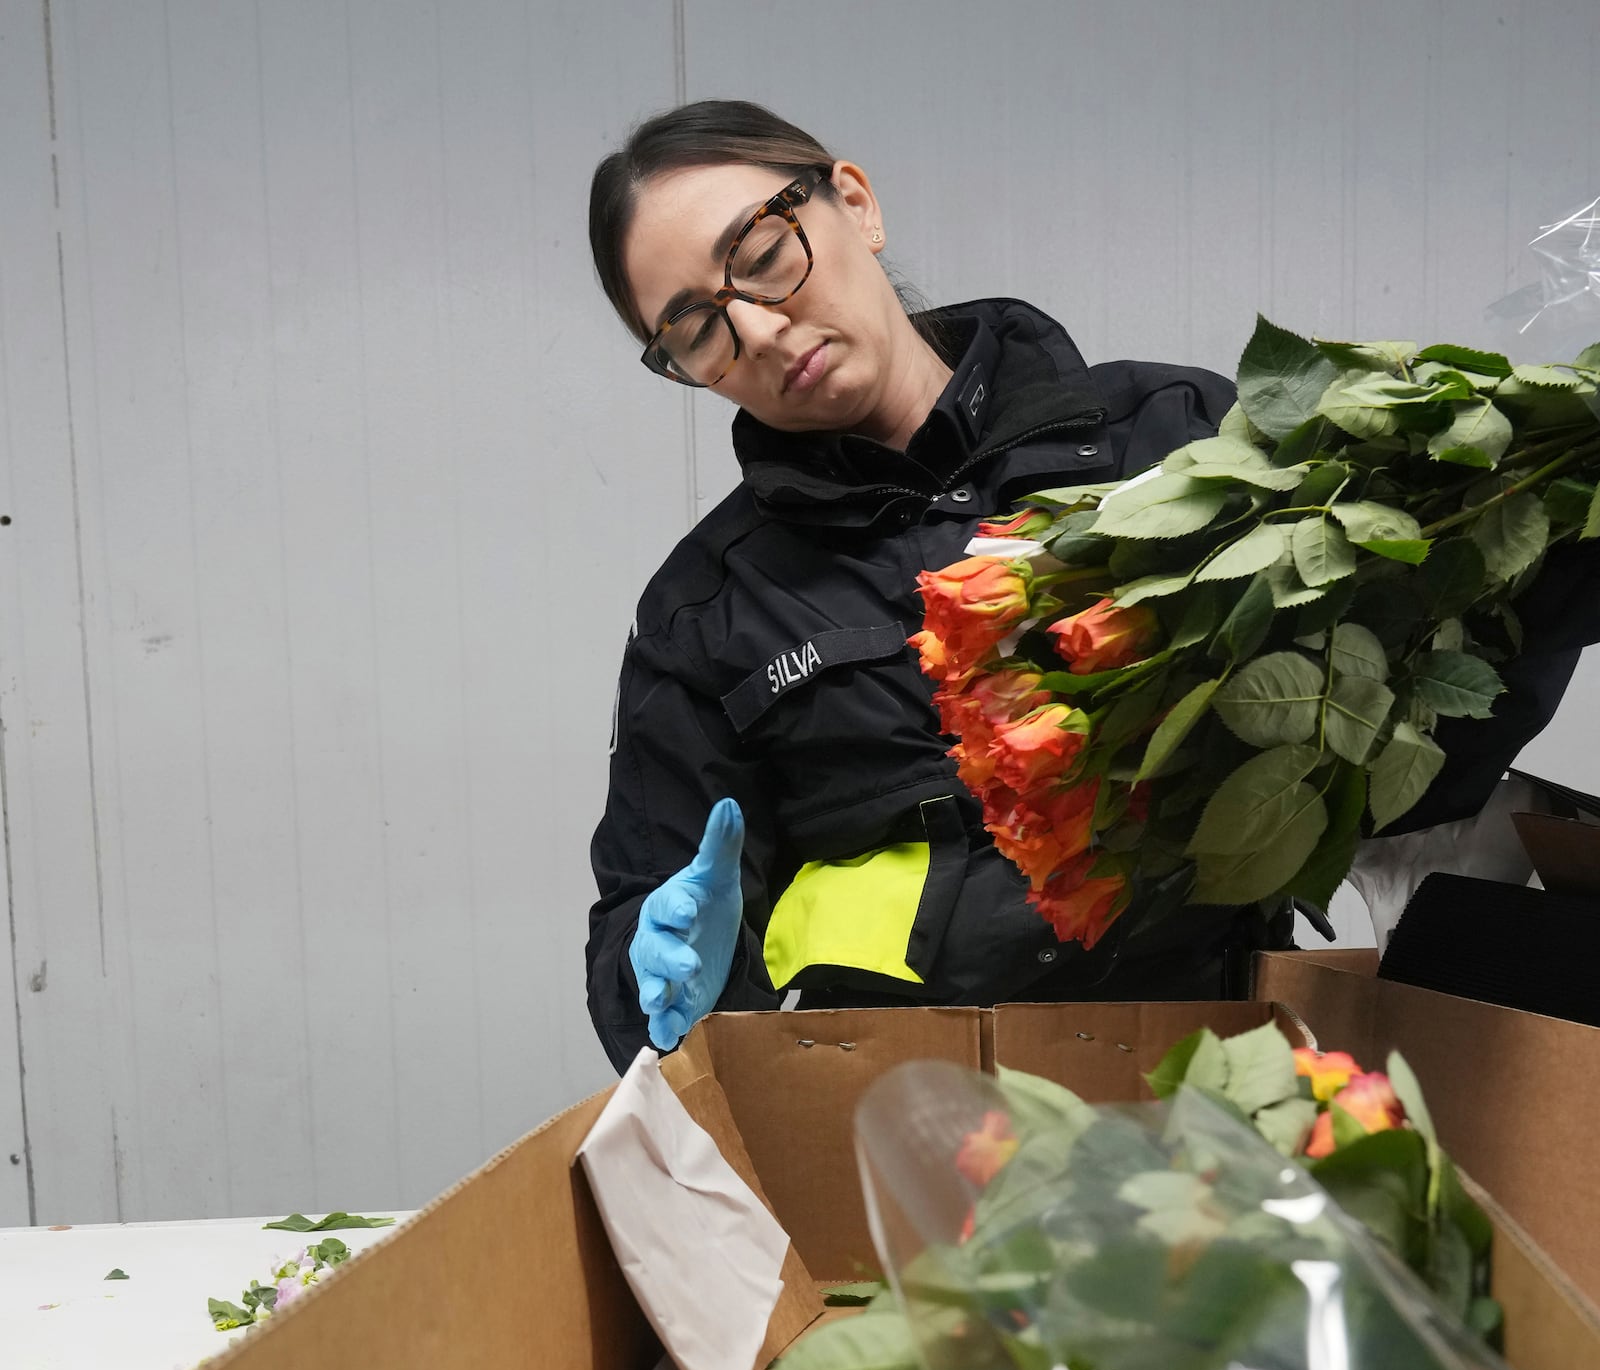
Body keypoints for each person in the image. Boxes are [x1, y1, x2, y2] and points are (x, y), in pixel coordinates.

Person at [585, 101, 1598, 1071]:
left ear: (854, 202)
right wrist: (656, 976)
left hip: (1216, 1074)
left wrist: (1545, 555)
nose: (757, 332)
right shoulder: (706, 612)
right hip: (899, 1113)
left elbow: (1404, 740)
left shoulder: (1181, 446)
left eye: (762, 258)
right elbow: (642, 935)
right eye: (695, 332)